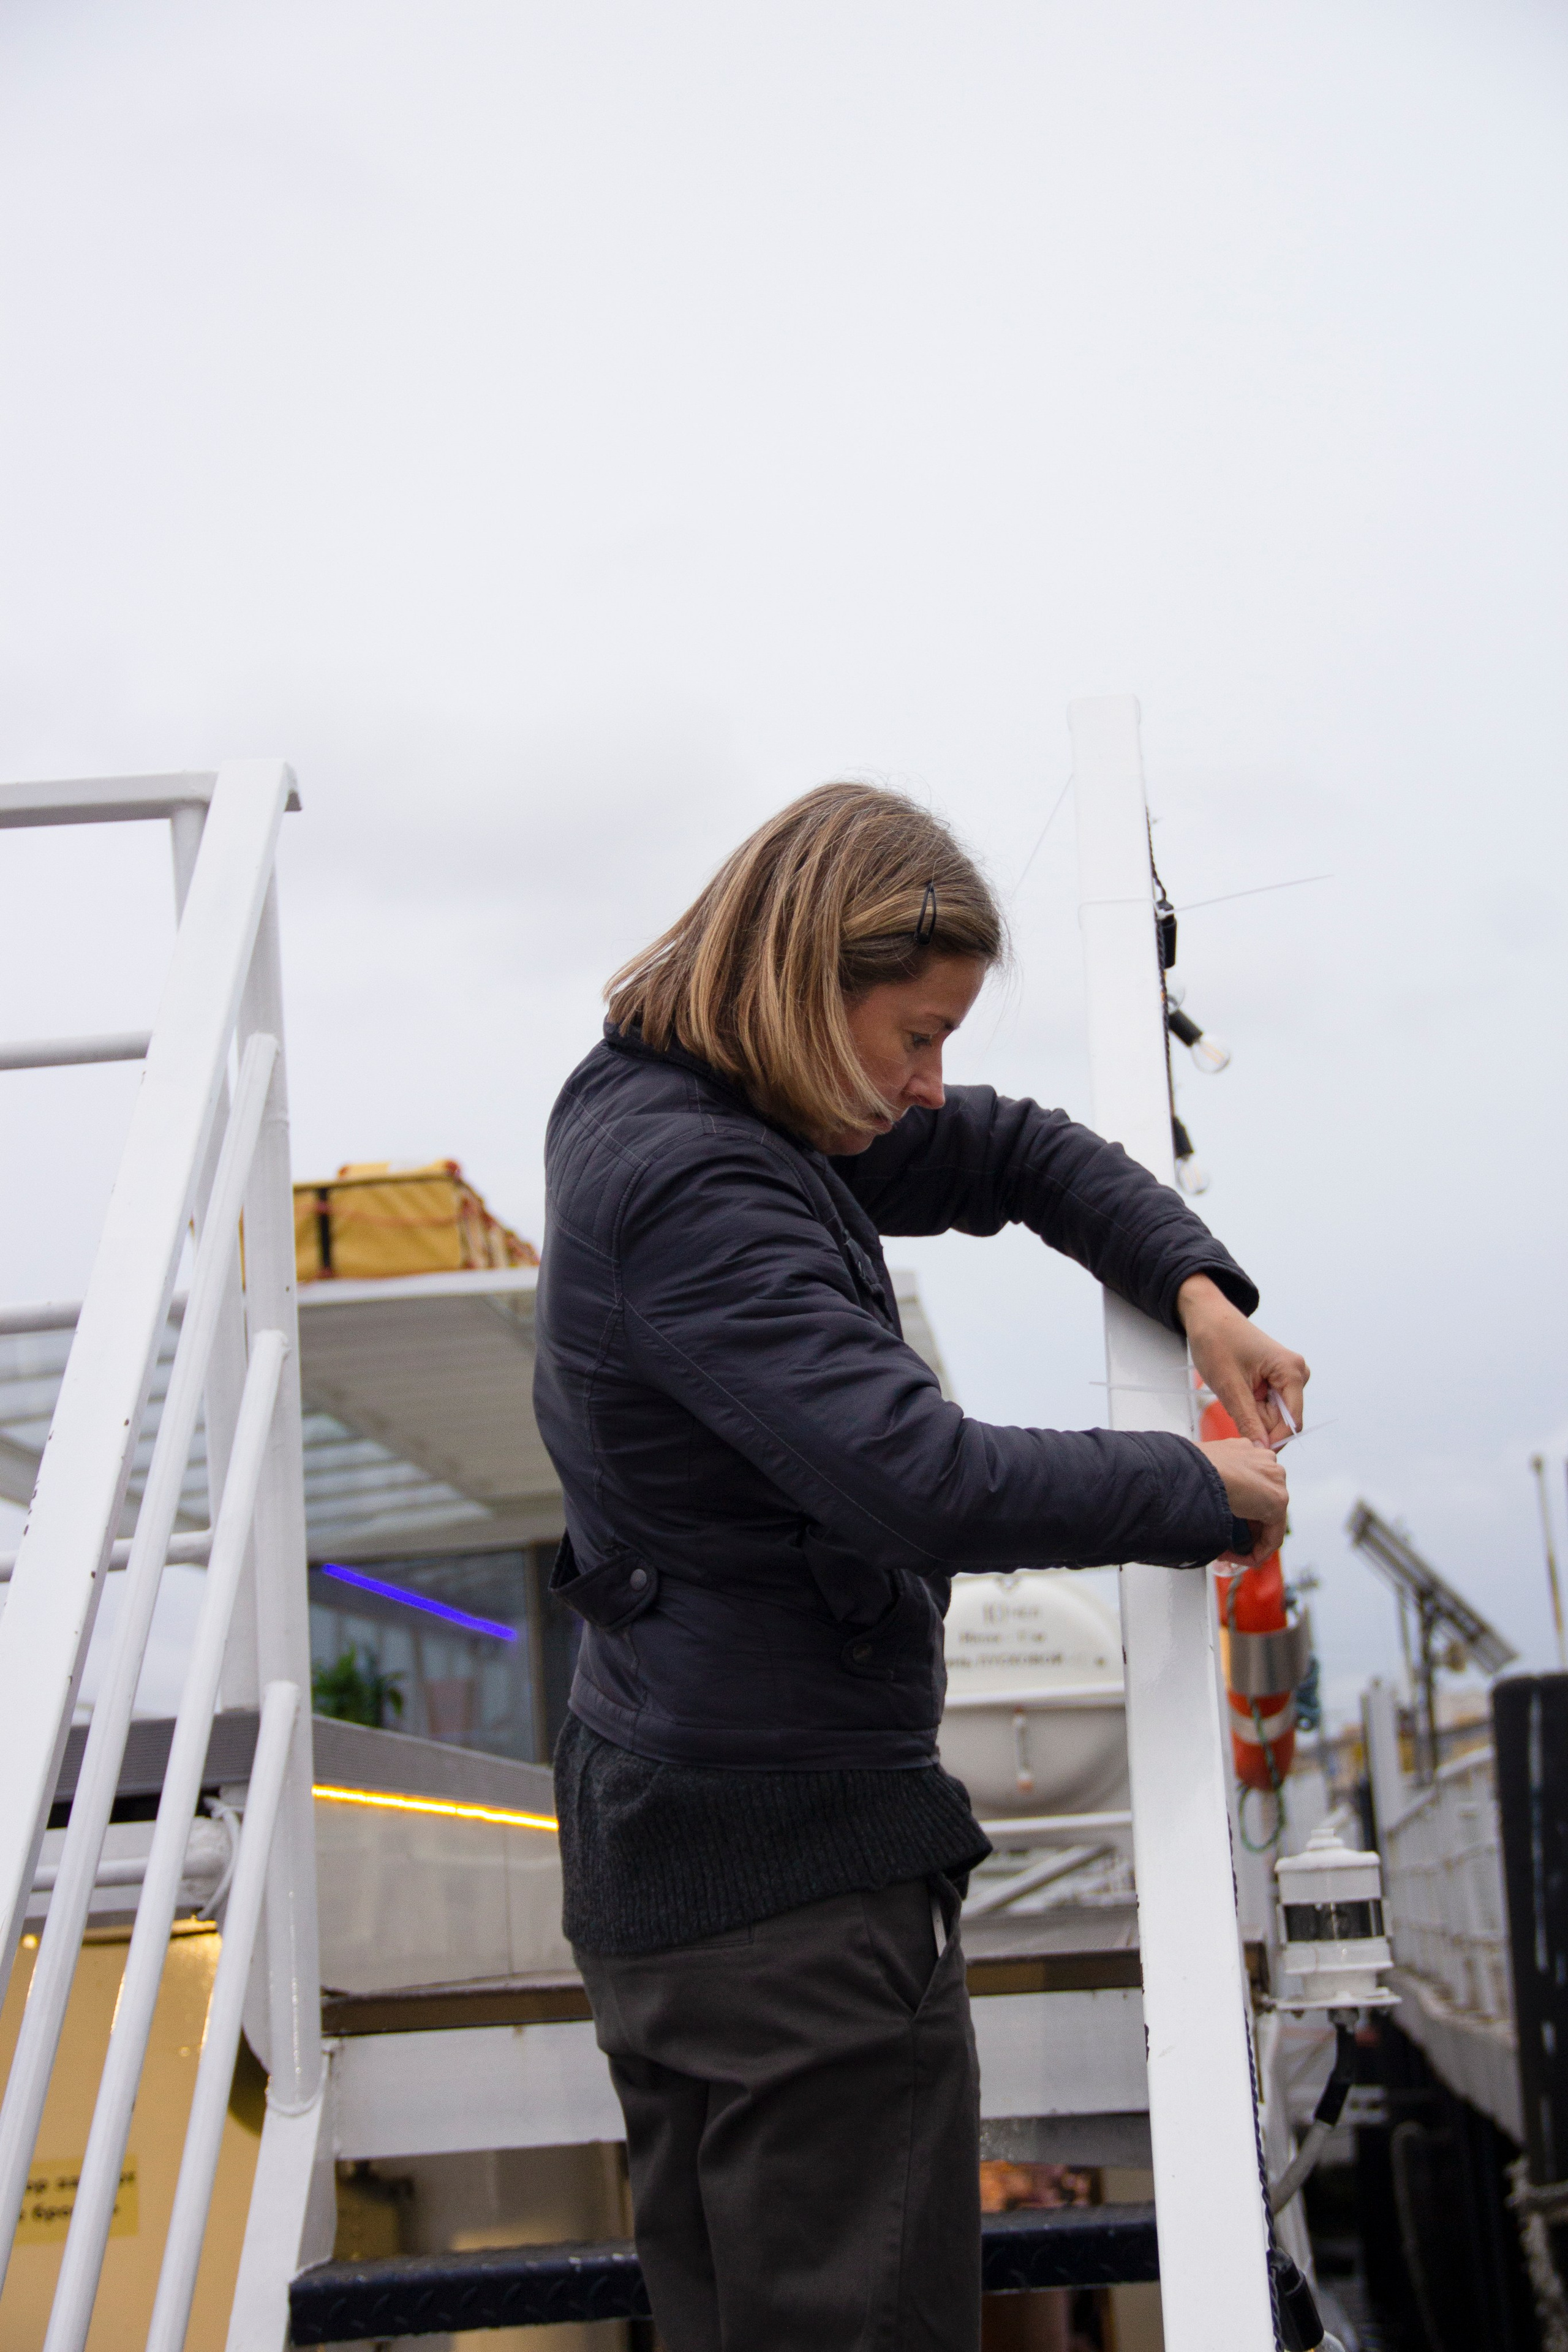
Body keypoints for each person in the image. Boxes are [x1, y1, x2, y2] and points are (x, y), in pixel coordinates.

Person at [533, 782, 1304, 2352]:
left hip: (682, 1842)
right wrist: (1193, 1488)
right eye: (914, 1036)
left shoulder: (686, 1109)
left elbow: (1009, 1152)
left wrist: (1192, 1286)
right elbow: (917, 1479)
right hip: (785, 1879)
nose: (928, 1083)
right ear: (801, 985)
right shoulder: (696, 1189)